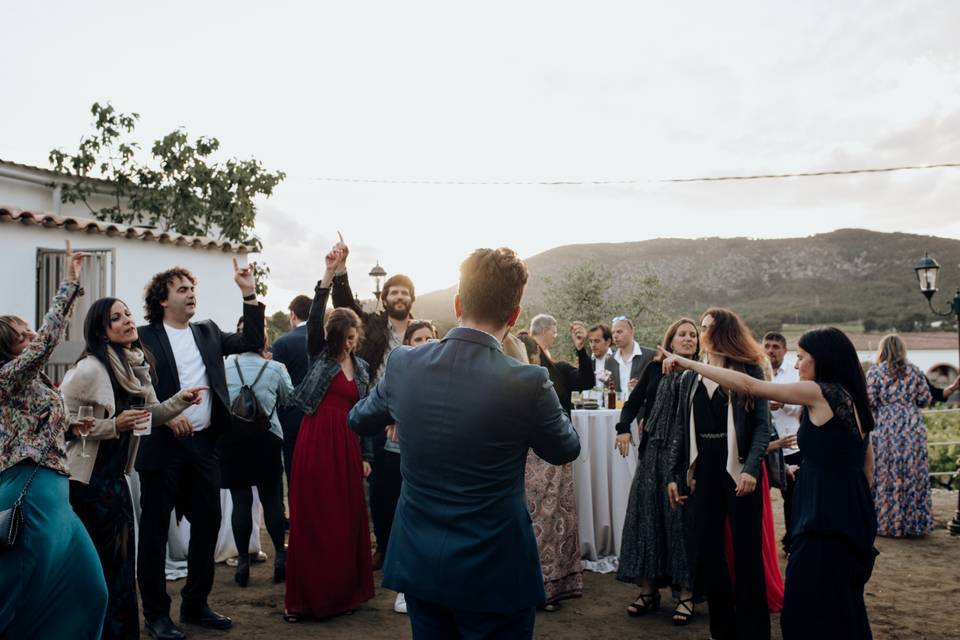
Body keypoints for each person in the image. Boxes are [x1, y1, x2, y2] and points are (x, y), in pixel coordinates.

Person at [349, 247, 581, 640]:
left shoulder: (405, 365)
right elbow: (566, 447)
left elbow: (358, 418)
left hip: (421, 562)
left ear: (458, 303)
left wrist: (402, 411)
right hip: (494, 568)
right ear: (514, 316)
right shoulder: (527, 382)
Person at [662, 326, 878, 640]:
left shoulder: (820, 393)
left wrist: (690, 363)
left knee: (806, 611)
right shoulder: (853, 398)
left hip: (822, 519)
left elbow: (750, 385)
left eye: (801, 358)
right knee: (843, 606)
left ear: (822, 360)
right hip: (851, 517)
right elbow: (867, 469)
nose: (796, 365)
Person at [60, 297, 205, 640]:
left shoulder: (135, 367)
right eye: (116, 318)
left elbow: (150, 415)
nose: (127, 321)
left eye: (127, 314)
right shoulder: (89, 369)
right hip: (88, 484)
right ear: (102, 331)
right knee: (99, 570)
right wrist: (114, 426)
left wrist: (180, 401)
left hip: (116, 480)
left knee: (123, 568)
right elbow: (58, 422)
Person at [135, 260, 265, 640]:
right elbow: (133, 386)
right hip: (162, 448)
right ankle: (156, 615)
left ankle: (195, 604)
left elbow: (252, 341)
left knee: (207, 526)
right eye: (182, 289)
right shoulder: (143, 337)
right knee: (155, 534)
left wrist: (248, 293)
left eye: (192, 289)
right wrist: (163, 414)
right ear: (162, 300)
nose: (191, 294)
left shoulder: (207, 332)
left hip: (206, 445)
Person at [0, 241, 109, 639]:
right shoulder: (7, 377)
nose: (31, 337)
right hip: (31, 493)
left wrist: (68, 428)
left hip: (56, 492)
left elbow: (30, 425)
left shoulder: (30, 383)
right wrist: (69, 283)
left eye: (29, 331)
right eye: (20, 336)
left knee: (89, 590)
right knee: (20, 593)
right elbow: (49, 339)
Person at [665, 308, 771, 640]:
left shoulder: (748, 370)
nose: (701, 333)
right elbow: (680, 430)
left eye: (707, 328)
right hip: (705, 473)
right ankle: (722, 630)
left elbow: (763, 428)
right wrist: (675, 474)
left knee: (747, 555)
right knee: (708, 553)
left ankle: (754, 632)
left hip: (739, 470)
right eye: (701, 327)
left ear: (723, 332)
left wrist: (752, 469)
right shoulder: (690, 378)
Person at [284, 246, 374, 621]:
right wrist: (330, 272)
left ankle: (342, 595)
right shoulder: (319, 354)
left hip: (349, 446)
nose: (350, 342)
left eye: (354, 336)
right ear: (333, 334)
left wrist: (367, 455)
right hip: (317, 441)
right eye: (345, 335)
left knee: (347, 518)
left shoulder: (364, 368)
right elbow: (317, 311)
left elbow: (366, 414)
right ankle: (306, 600)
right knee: (315, 518)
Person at [330, 240, 414, 570]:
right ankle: (383, 543)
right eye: (394, 292)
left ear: (411, 299)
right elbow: (344, 304)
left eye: (405, 293)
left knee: (413, 484)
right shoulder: (373, 326)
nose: (399, 297)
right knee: (381, 487)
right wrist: (341, 269)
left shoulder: (423, 332)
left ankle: (409, 544)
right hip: (378, 413)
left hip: (413, 418)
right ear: (385, 298)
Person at [615, 317, 698, 624]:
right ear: (671, 340)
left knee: (679, 523)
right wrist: (623, 428)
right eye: (682, 335)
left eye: (693, 335)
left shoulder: (701, 374)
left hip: (685, 458)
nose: (688, 339)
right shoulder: (652, 368)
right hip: (651, 455)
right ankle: (648, 592)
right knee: (646, 520)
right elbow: (632, 403)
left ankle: (686, 595)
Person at [524, 316, 594, 611]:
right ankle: (529, 584)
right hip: (526, 456)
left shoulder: (559, 370)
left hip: (556, 452)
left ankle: (553, 585)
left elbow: (587, 381)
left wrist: (582, 349)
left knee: (556, 520)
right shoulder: (517, 372)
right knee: (532, 519)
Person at [223, 319, 294, 588]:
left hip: (232, 440)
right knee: (271, 499)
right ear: (264, 340)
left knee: (241, 500)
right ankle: (280, 558)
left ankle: (242, 563)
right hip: (267, 439)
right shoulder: (276, 367)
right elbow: (288, 399)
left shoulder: (224, 365)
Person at [385, 319, 439, 615]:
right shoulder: (402, 374)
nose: (425, 343)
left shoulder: (446, 373)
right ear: (408, 344)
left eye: (430, 338)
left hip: (437, 459)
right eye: (418, 339)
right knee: (406, 521)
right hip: (402, 456)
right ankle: (405, 589)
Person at [866, 334, 934, 538]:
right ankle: (914, 524)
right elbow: (926, 399)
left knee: (886, 474)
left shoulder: (876, 372)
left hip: (886, 425)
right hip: (912, 426)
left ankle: (886, 523)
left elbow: (869, 400)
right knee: (913, 473)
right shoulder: (915, 371)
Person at [762, 331, 803, 553]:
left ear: (784, 350)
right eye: (767, 346)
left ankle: (792, 544)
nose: (771, 350)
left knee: (793, 500)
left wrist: (784, 404)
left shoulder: (794, 376)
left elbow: (801, 408)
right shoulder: (757, 373)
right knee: (761, 499)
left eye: (776, 346)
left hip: (791, 444)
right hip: (764, 447)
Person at [270, 294, 311, 487]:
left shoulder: (282, 343)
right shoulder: (327, 340)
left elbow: (275, 384)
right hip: (320, 416)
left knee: (295, 475)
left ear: (293, 315)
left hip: (290, 418)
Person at [608, 316, 655, 394]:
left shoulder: (651, 355)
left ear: (632, 331)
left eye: (619, 332)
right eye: (613, 332)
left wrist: (642, 388)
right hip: (617, 405)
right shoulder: (610, 360)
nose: (615, 336)